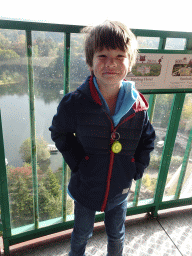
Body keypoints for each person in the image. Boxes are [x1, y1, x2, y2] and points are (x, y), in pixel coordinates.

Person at [49, 20, 156, 256]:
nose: (111, 63)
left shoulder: (138, 106)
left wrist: (135, 169)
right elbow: (59, 132)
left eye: (120, 55)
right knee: (81, 234)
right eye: (102, 55)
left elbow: (148, 140)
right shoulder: (75, 103)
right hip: (86, 187)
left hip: (120, 189)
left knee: (116, 235)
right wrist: (79, 162)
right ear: (90, 61)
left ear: (130, 62)